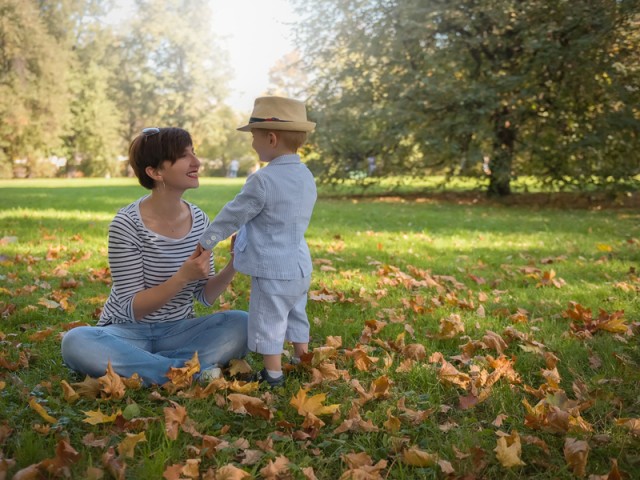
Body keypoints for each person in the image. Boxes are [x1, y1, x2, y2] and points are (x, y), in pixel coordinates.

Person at [61, 127, 248, 386]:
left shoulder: (200, 220)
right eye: (184, 156)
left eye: (194, 152)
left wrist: (235, 263)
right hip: (126, 331)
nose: (197, 162)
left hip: (179, 330)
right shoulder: (126, 224)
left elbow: (205, 296)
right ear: (155, 172)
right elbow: (132, 308)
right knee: (76, 341)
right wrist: (182, 277)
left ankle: (150, 366)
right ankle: (186, 370)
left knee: (242, 323)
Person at [199, 96, 317, 388]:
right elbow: (282, 217)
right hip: (299, 265)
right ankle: (303, 358)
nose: (252, 144)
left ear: (272, 139)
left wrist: (208, 240)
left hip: (271, 267)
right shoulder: (306, 175)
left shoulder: (262, 180)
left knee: (269, 318)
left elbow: (233, 215)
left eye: (254, 137)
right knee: (296, 312)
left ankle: (273, 374)